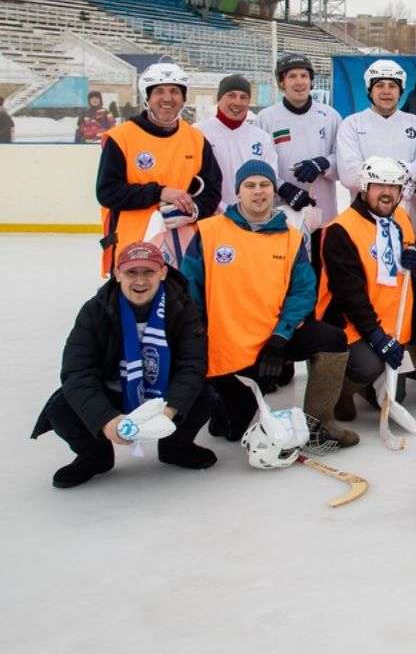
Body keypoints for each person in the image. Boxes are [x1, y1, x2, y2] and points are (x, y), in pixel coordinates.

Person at [181, 161, 354, 446]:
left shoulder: (290, 238)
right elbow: (190, 290)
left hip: (272, 341)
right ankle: (221, 403)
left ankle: (319, 423)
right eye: (250, 185)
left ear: (274, 191)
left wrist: (280, 338)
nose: (258, 192)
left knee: (332, 339)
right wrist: (198, 341)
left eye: (265, 185)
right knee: (232, 431)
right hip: (228, 347)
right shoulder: (210, 232)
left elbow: (303, 292)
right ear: (238, 193)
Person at [31, 241, 214, 487]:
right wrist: (106, 420)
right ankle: (95, 456)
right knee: (60, 407)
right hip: (114, 391)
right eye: (131, 272)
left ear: (162, 272)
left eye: (148, 272)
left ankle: (176, 447)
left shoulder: (182, 307)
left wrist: (170, 411)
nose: (140, 281)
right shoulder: (95, 311)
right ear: (117, 274)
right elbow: (77, 372)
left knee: (205, 394)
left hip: (163, 395)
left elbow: (192, 364)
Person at [314, 157, 416, 411]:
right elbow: (349, 295)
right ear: (364, 189)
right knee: (368, 366)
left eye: (393, 187)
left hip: (392, 324)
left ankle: (366, 387)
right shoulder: (341, 229)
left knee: (395, 398)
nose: (386, 193)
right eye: (379, 186)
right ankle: (339, 390)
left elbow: (405, 263)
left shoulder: (402, 217)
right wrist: (376, 337)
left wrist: (415, 255)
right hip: (352, 326)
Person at [96, 62, 221, 274]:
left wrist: (193, 212)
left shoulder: (196, 139)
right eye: (159, 91)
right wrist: (160, 192)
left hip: (186, 251)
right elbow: (107, 192)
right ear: (147, 97)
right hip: (134, 251)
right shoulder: (122, 138)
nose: (167, 98)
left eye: (174, 91)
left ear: (183, 98)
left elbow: (212, 189)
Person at [258, 53, 341, 233]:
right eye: (292, 76)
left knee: (321, 260)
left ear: (311, 81)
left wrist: (323, 163)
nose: (299, 82)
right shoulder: (266, 118)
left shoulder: (330, 116)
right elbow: (261, 164)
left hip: (323, 212)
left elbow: (342, 159)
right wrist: (282, 188)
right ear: (281, 83)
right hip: (281, 209)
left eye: (304, 76)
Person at [335, 59, 416, 217]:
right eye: (379, 86)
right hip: (362, 215)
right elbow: (349, 174)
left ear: (401, 91)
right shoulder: (351, 124)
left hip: (408, 215)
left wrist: (406, 170)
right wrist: (403, 175)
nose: (386, 91)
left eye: (392, 86)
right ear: (369, 91)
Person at [197, 73, 276, 211]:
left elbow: (269, 180)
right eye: (231, 95)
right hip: (210, 214)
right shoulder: (198, 132)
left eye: (243, 97)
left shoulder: (261, 137)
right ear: (219, 98)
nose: (238, 102)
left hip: (250, 216)